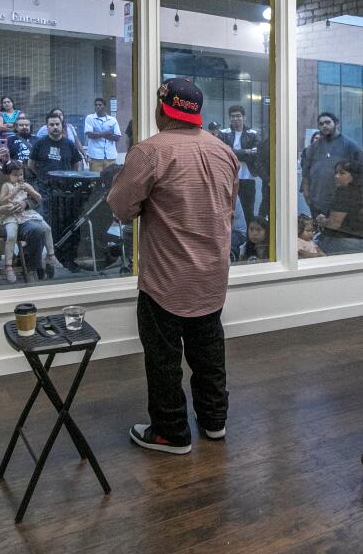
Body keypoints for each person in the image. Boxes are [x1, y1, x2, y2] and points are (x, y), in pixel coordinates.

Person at [107, 77, 239, 455]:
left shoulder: (149, 152)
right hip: (212, 276)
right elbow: (227, 209)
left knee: (164, 359)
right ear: (196, 113)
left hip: (165, 280)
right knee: (209, 351)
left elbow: (120, 208)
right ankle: (214, 422)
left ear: (162, 108)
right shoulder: (224, 152)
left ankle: (170, 432)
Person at [0, 142, 49, 281]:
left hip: (16, 216)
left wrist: (25, 204)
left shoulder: (8, 172)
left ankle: (32, 268)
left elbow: (33, 197)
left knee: (38, 229)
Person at [30, 114, 86, 268]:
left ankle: (67, 258)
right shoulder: (40, 144)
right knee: (49, 225)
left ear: (62, 126)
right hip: (47, 192)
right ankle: (48, 257)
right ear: (47, 126)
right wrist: (42, 179)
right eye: (51, 124)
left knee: (67, 224)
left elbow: (77, 163)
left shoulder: (69, 144)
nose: (55, 127)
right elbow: (31, 164)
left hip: (67, 193)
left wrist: (73, 179)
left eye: (57, 124)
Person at [300, 111, 363, 219]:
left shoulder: (350, 146)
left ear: (336, 123)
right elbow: (305, 177)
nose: (324, 126)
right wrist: (308, 198)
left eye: (328, 122)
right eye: (321, 124)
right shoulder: (312, 148)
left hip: (343, 206)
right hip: (317, 206)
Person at [0, 161, 57, 283]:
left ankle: (51, 256)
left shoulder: (26, 184)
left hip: (26, 215)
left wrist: (31, 191)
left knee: (46, 228)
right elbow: (2, 201)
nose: (19, 178)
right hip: (11, 216)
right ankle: (8, 265)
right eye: (15, 175)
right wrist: (15, 190)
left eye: (21, 175)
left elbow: (39, 198)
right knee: (12, 235)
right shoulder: (6, 185)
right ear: (7, 175)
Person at [315, 160, 363, 255]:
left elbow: (334, 224)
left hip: (343, 244)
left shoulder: (343, 193)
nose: (336, 176)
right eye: (336, 172)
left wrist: (321, 220)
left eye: (342, 173)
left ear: (354, 176)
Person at [217, 105, 263, 218]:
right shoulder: (223, 133)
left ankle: (248, 235)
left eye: (238, 116)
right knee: (228, 210)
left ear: (244, 117)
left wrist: (233, 153)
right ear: (229, 118)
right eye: (232, 116)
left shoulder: (253, 134)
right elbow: (222, 153)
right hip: (229, 177)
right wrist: (246, 152)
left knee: (248, 210)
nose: (235, 119)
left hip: (248, 177)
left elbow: (256, 153)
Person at [84, 97, 121, 173]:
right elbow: (90, 134)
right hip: (95, 157)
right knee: (96, 180)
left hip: (110, 157)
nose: (97, 106)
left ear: (105, 106)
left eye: (100, 105)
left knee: (111, 180)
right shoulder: (90, 118)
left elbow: (117, 137)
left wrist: (98, 133)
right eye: (96, 105)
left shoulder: (112, 120)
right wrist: (106, 133)